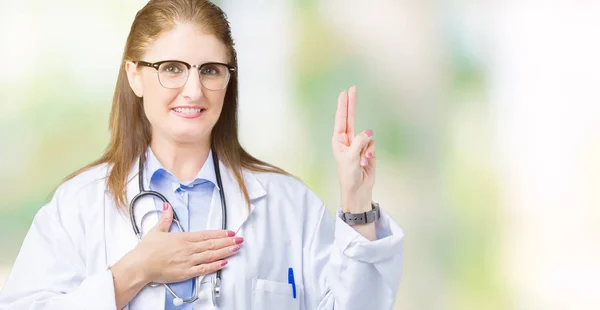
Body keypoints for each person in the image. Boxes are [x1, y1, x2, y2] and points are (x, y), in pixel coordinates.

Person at [0, 0, 404, 309]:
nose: (194, 90)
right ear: (134, 76)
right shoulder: (79, 205)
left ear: (229, 79)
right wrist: (132, 272)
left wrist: (355, 201)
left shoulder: (287, 205)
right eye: (172, 68)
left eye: (210, 69)